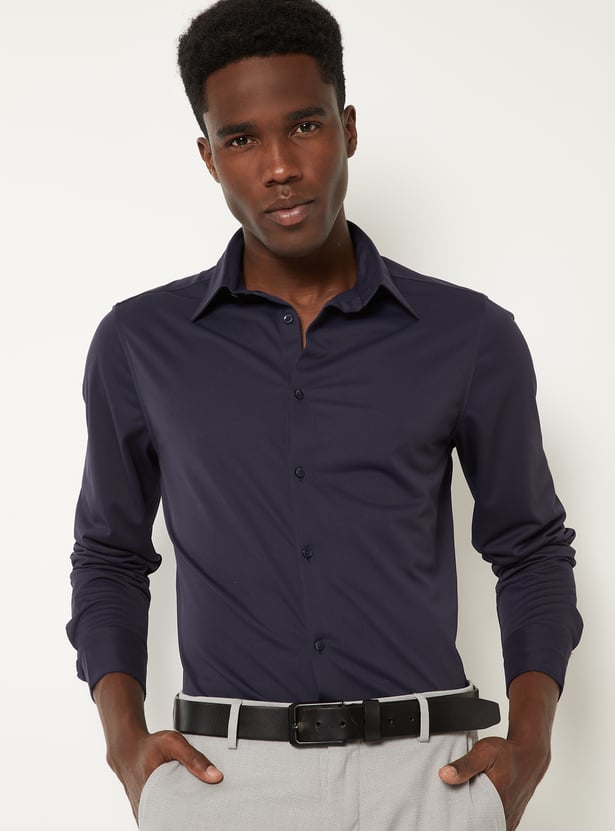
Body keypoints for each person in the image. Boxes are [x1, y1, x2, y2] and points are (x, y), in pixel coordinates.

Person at [67, 1, 582, 829]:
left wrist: (529, 745)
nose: (279, 166)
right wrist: (124, 743)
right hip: (222, 784)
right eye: (241, 139)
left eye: (304, 126)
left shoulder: (468, 335)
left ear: (346, 129)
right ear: (208, 157)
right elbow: (108, 555)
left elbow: (529, 550)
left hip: (429, 779)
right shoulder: (140, 343)